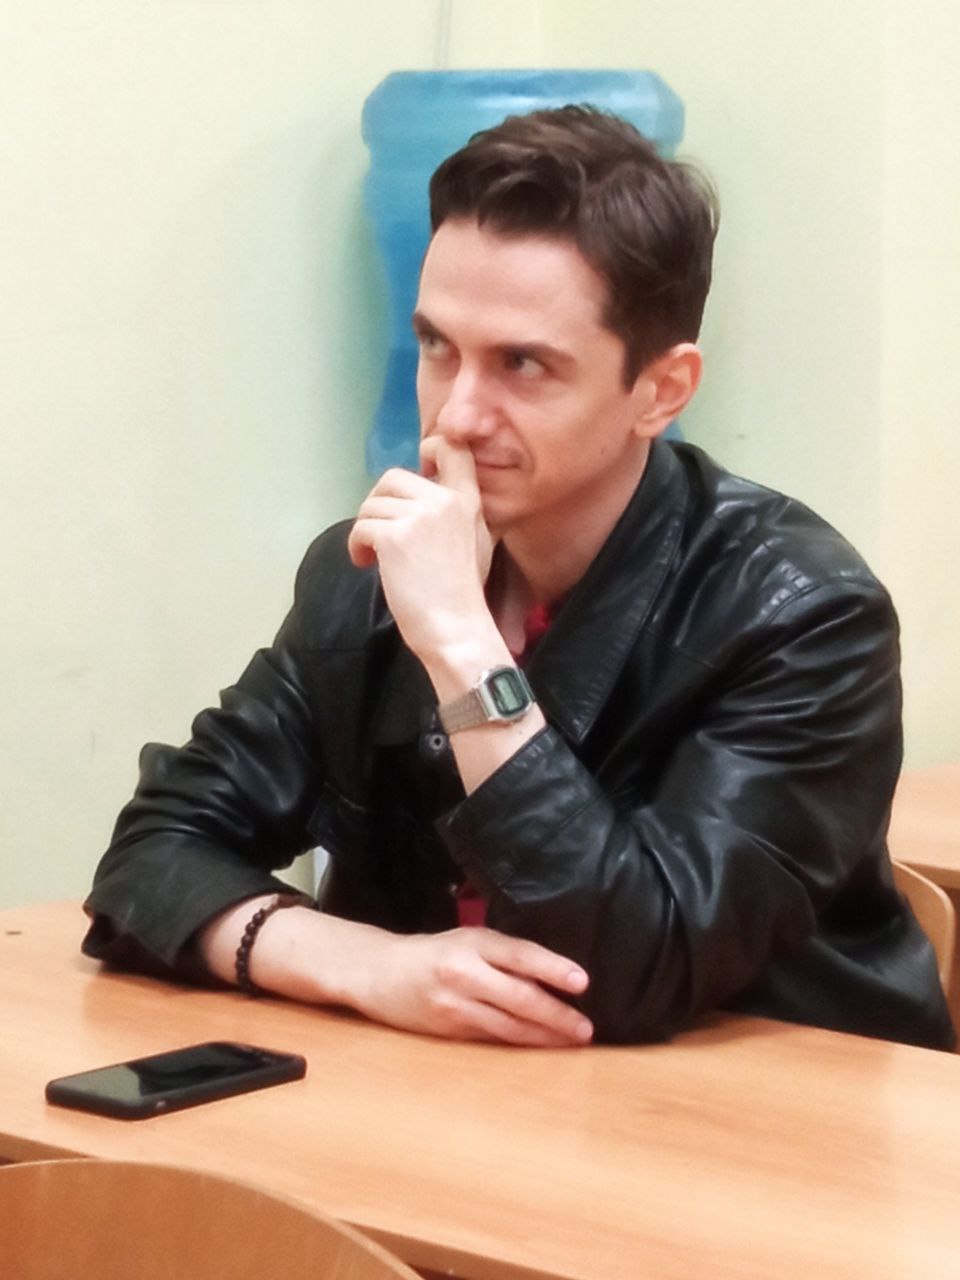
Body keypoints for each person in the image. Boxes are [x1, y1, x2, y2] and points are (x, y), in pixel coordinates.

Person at [83, 106, 955, 1051]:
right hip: (459, 1103)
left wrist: (462, 646)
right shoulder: (367, 574)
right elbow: (152, 856)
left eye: (523, 364)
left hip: (759, 1120)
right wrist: (366, 964)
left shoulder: (803, 613)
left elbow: (632, 970)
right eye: (436, 346)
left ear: (661, 390)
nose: (456, 415)